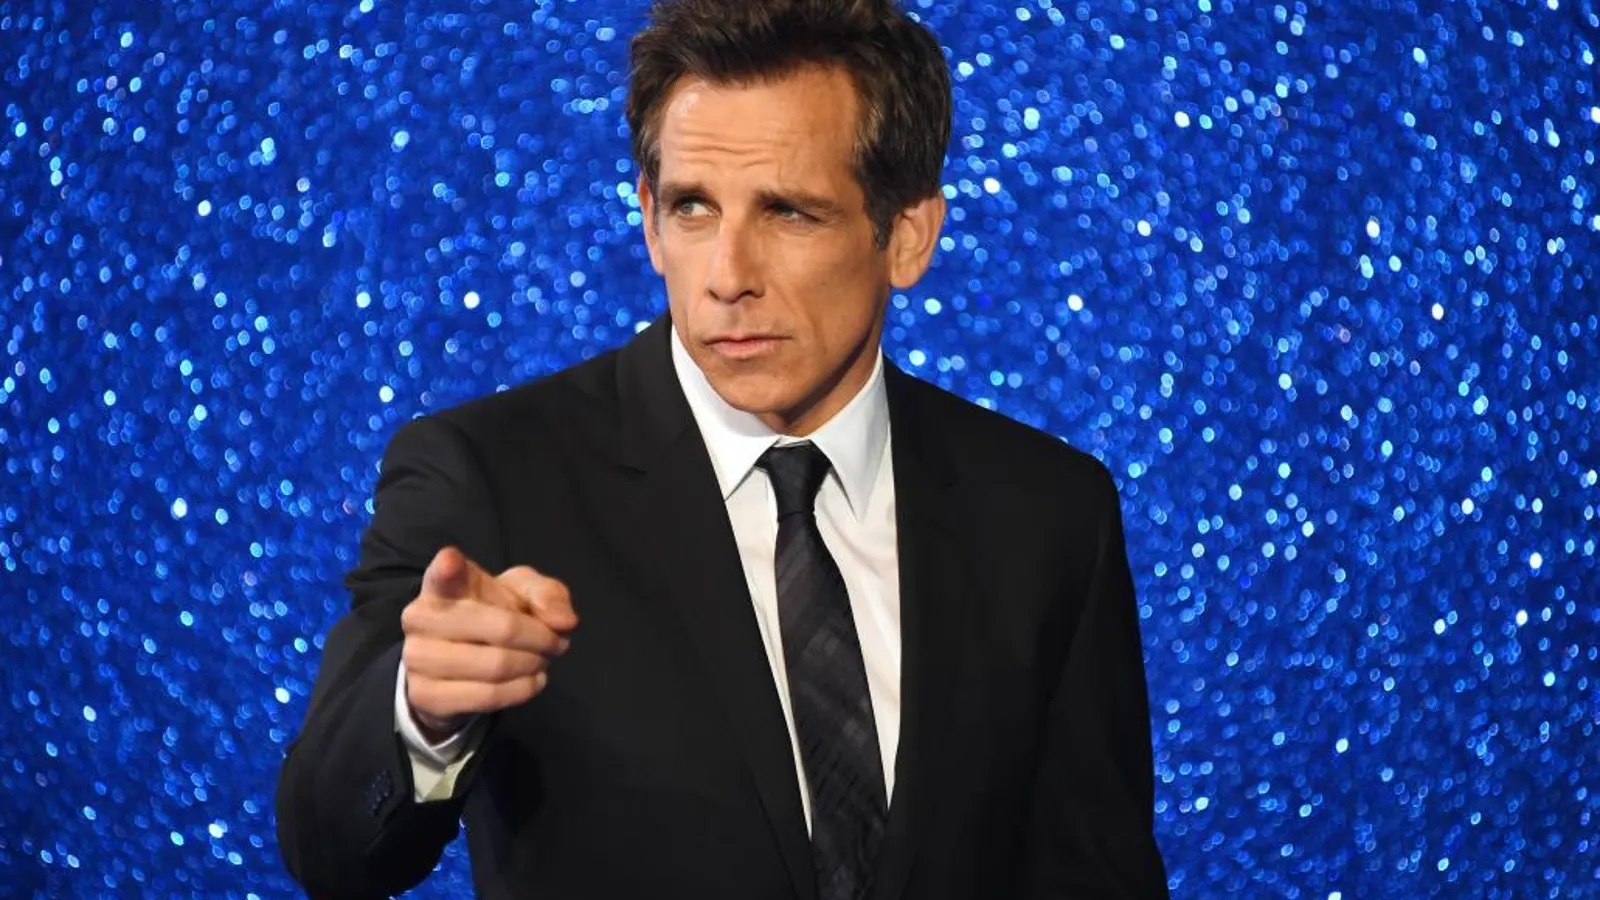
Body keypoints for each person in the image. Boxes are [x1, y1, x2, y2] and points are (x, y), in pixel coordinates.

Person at [275, 1, 1170, 897]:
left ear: (906, 236)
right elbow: (328, 849)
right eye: (693, 208)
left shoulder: (1047, 512)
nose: (727, 276)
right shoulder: (488, 475)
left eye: (788, 213)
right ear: (649, 218)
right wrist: (420, 714)